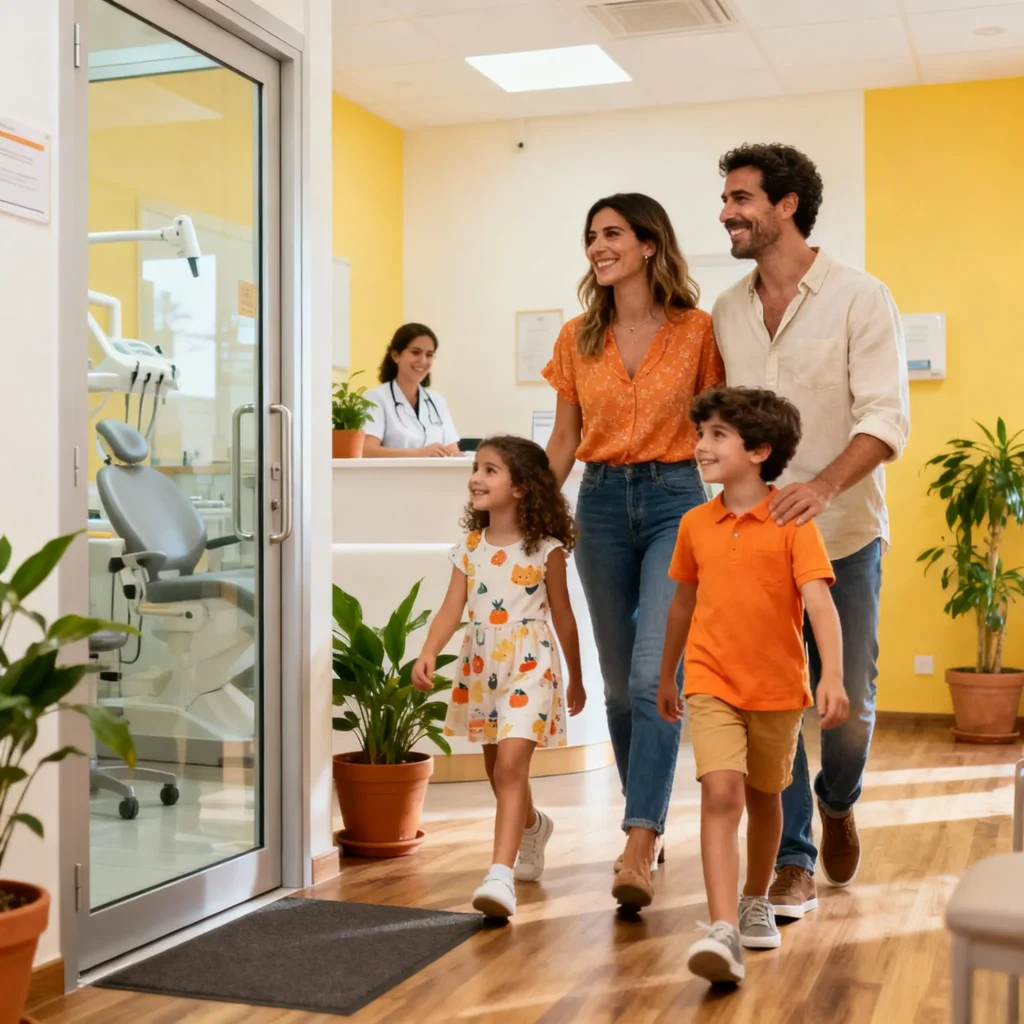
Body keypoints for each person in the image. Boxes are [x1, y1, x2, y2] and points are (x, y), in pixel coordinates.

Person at [712, 143, 910, 921]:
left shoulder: (861, 297)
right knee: (775, 704)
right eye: (725, 199)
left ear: (787, 205)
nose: (727, 211)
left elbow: (887, 417)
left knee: (848, 711)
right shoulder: (728, 309)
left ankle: (838, 799)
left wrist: (822, 484)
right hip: (754, 545)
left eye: (741, 198)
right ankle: (794, 858)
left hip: (846, 536)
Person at [543, 193, 724, 910]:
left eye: (612, 233)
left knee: (655, 676)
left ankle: (639, 838)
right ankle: (642, 818)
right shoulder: (576, 336)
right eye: (591, 235)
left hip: (678, 500)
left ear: (650, 244)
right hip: (600, 505)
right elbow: (563, 439)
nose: (597, 246)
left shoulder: (697, 329)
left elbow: (716, 425)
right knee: (620, 689)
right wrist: (535, 511)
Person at [657, 386, 848, 985]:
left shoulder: (793, 524)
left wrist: (833, 677)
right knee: (721, 795)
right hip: (711, 681)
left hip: (778, 690)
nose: (701, 446)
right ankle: (722, 929)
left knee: (766, 797)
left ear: (760, 450)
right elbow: (682, 604)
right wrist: (668, 673)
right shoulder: (695, 523)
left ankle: (753, 897)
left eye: (718, 435)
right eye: (701, 433)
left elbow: (819, 605)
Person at [412, 436, 585, 920]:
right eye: (476, 468)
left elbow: (565, 617)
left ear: (523, 488)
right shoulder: (469, 548)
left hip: (531, 663)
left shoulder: (546, 549)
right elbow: (452, 609)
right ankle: (532, 825)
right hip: (480, 666)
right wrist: (428, 651)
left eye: (490, 470)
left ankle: (499, 876)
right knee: (495, 769)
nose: (477, 478)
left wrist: (576, 678)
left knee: (511, 767)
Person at [363, 323, 461, 457]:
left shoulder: (438, 402)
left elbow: (453, 453)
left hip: (435, 477)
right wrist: (419, 453)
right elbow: (368, 451)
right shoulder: (375, 398)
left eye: (430, 354)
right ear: (396, 355)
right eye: (415, 352)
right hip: (392, 477)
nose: (423, 360)